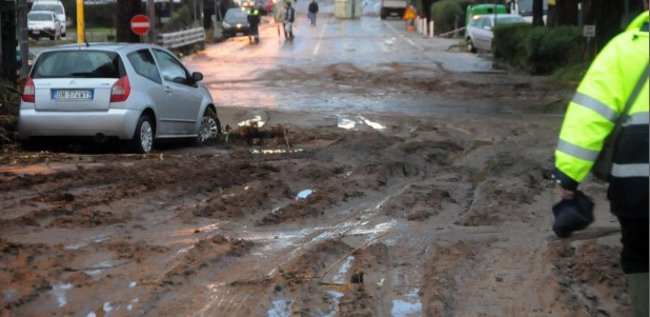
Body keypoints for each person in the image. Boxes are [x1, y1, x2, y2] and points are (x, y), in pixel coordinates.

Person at [551, 7, 648, 317]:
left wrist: (567, 180)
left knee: (641, 257)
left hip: (638, 187)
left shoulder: (624, 50)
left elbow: (588, 119)